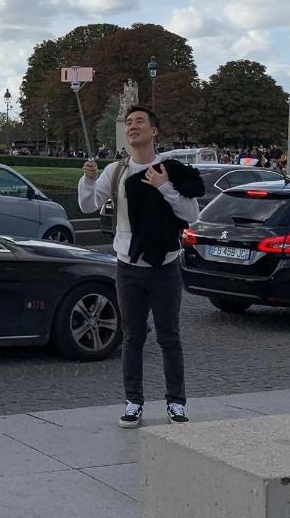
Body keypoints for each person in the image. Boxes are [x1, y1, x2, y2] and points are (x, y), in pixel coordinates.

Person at [78, 106, 203, 428]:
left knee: (169, 337)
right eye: (129, 123)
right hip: (129, 265)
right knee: (132, 337)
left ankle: (176, 402)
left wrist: (164, 186)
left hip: (165, 266)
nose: (133, 127)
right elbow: (88, 205)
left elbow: (192, 215)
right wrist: (88, 179)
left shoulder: (171, 170)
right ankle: (133, 401)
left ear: (154, 131)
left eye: (140, 122)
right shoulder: (116, 171)